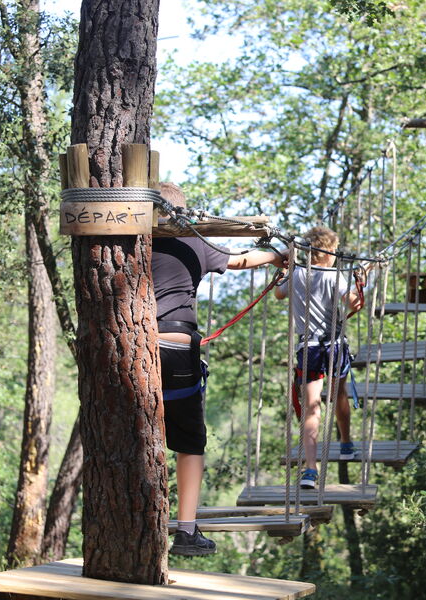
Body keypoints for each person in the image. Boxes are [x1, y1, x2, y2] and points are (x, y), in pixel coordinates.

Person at [153, 182, 283, 555]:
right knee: (190, 442)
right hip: (177, 348)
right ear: (181, 211)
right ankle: (186, 531)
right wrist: (278, 254)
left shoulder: (129, 238)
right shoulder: (193, 238)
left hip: (133, 348)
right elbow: (241, 260)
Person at [274, 226, 366, 490]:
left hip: (308, 349)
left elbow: (279, 294)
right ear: (325, 253)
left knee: (311, 406)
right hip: (333, 346)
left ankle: (310, 471)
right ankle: (346, 444)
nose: (336, 254)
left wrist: (283, 272)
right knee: (339, 395)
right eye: (334, 250)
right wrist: (360, 283)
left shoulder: (296, 274)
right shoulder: (335, 276)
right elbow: (354, 305)